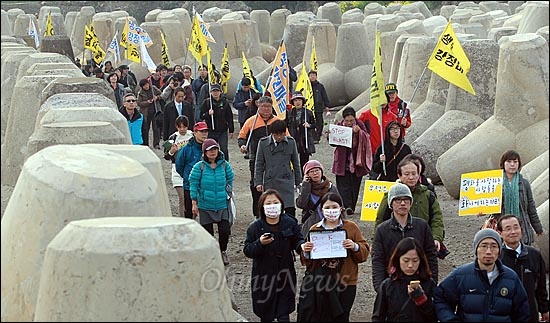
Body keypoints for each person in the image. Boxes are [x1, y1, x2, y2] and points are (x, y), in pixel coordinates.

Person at [298, 192, 370, 322]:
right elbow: (307, 263)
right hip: (322, 282)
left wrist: (354, 246)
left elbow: (364, 253)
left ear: (341, 208)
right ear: (321, 209)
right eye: (327, 208)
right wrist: (306, 251)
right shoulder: (315, 229)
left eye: (334, 207)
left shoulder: (351, 227)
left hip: (346, 281)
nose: (331, 211)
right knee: (323, 316)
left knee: (342, 316)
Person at [434, 228, 530, 322]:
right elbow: (440, 299)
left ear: (499, 250)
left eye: (493, 246)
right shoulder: (461, 275)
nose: (488, 251)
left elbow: (522, 312)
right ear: (476, 249)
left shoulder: (511, 278)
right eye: (484, 246)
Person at [243, 189, 305, 322]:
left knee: (283, 314)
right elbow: (247, 250)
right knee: (266, 313)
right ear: (262, 206)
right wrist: (259, 243)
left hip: (285, 273)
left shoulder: (290, 222)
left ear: (281, 205)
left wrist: (302, 246)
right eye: (268, 203)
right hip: (263, 276)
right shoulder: (255, 227)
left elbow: (298, 241)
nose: (272, 206)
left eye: (275, 202)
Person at [371, 183, 438, 293]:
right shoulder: (382, 229)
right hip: (392, 283)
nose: (402, 203)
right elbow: (378, 260)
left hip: (419, 282)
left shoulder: (422, 226)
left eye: (406, 200)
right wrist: (380, 288)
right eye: (398, 200)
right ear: (391, 204)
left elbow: (431, 255)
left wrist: (432, 283)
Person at [375, 158, 445, 256]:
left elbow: (436, 219)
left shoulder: (428, 195)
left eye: (414, 173)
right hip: (396, 243)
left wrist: (436, 237)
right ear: (399, 175)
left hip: (422, 241)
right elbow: (380, 219)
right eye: (407, 174)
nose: (411, 177)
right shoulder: (390, 195)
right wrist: (377, 242)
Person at [238, 96, 286, 218]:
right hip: (256, 158)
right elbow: (242, 136)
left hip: (275, 159)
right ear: (258, 106)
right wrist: (243, 145)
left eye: (268, 107)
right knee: (256, 185)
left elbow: (287, 138)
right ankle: (258, 213)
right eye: (263, 106)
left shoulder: (278, 121)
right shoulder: (251, 121)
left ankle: (276, 211)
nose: (266, 109)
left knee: (275, 185)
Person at [188, 138, 234, 266]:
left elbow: (230, 178)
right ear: (204, 152)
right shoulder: (199, 167)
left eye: (214, 149)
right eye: (209, 150)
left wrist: (228, 193)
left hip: (222, 204)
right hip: (205, 205)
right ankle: (211, 253)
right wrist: (194, 202)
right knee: (208, 234)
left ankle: (222, 251)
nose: (213, 152)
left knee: (225, 231)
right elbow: (193, 183)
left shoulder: (225, 165)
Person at [497, 214, 549, 323]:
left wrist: (544, 310)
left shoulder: (534, 254)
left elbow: (541, 286)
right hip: (504, 315)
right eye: (508, 229)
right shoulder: (496, 258)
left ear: (521, 229)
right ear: (500, 233)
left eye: (516, 227)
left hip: (530, 313)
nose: (513, 232)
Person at [372, 237, 437, 322]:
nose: (410, 265)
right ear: (398, 259)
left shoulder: (428, 283)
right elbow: (378, 317)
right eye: (406, 260)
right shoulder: (387, 285)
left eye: (415, 260)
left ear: (421, 261)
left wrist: (421, 299)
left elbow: (434, 317)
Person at [255, 119, 301, 217]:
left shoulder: (291, 142)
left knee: (289, 208)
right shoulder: (263, 143)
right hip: (270, 181)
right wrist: (258, 182)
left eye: (282, 134)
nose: (279, 137)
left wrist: (298, 181)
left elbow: (296, 163)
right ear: (272, 133)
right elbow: (259, 164)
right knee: (271, 208)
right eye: (277, 135)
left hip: (286, 179)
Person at [331, 106, 371, 215]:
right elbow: (333, 142)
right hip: (342, 160)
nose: (349, 122)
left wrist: (359, 133)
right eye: (347, 120)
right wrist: (330, 136)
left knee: (355, 184)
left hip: (356, 159)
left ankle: (352, 205)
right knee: (343, 184)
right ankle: (346, 205)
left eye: (351, 120)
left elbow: (367, 137)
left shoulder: (360, 124)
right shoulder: (339, 126)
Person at [498, 149, 544, 245]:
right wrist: (482, 211)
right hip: (502, 230)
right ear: (503, 164)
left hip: (523, 229)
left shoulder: (524, 183)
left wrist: (538, 228)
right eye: (509, 162)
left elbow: (531, 208)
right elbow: (491, 206)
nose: (512, 164)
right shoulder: (496, 183)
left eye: (515, 162)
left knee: (524, 255)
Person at [296, 159, 339, 237]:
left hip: (330, 221)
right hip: (312, 223)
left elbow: (340, 205)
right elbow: (301, 204)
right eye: (311, 172)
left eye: (317, 170)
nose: (315, 173)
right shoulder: (305, 187)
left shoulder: (330, 187)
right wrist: (305, 185)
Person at [175, 121, 209, 219]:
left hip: (206, 186)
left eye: (206, 131)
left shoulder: (211, 148)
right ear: (195, 132)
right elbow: (179, 166)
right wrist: (188, 176)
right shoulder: (186, 149)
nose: (204, 134)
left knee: (206, 215)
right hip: (189, 186)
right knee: (189, 214)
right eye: (201, 131)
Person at [164, 115, 193, 218]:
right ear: (176, 127)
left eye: (184, 127)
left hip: (190, 169)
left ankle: (191, 219)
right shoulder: (173, 138)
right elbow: (166, 156)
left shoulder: (192, 136)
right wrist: (172, 151)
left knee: (191, 198)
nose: (182, 129)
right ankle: (183, 220)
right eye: (180, 127)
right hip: (177, 170)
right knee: (182, 198)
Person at [200, 83, 234, 162]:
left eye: (217, 91)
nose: (215, 93)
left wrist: (231, 129)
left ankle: (225, 164)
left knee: (224, 149)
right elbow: (201, 115)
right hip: (211, 130)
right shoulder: (207, 102)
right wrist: (208, 114)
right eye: (213, 91)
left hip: (222, 130)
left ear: (220, 92)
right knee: (210, 149)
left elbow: (229, 116)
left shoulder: (225, 102)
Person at [286, 91, 316, 168]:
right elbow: (286, 124)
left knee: (304, 160)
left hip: (304, 139)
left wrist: (309, 125)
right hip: (293, 137)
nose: (298, 102)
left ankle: (304, 176)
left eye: (299, 100)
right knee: (293, 160)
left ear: (303, 101)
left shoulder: (308, 112)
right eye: (295, 100)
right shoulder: (289, 113)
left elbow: (315, 124)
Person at [136, 78, 162, 149]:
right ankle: (145, 143)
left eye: (147, 84)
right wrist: (147, 102)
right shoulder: (140, 93)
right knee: (145, 129)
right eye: (144, 86)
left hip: (155, 111)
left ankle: (156, 143)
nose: (146, 86)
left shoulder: (153, 88)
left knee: (156, 128)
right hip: (146, 113)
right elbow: (139, 103)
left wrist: (157, 97)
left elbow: (161, 94)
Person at [308, 70, 330, 143]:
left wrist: (327, 105)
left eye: (314, 75)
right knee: (311, 123)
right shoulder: (307, 86)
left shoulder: (320, 86)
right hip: (309, 108)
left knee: (320, 123)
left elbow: (324, 96)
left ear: (316, 76)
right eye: (311, 75)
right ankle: (313, 137)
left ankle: (317, 137)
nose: (312, 77)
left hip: (318, 107)